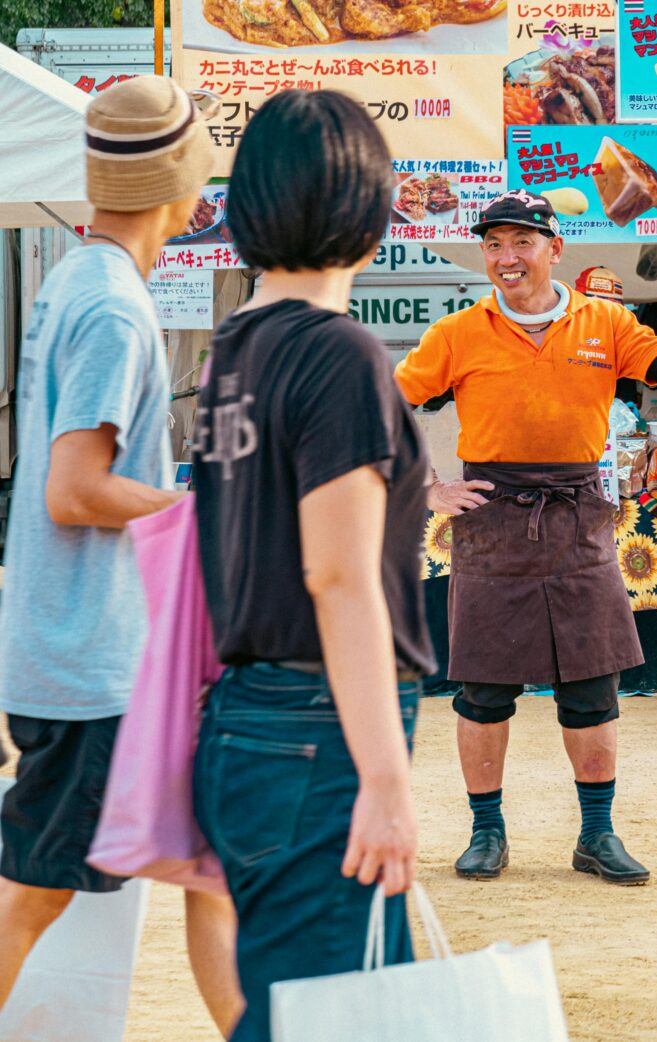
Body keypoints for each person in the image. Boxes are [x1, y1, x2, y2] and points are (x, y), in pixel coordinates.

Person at [192, 91, 435, 1042]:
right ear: (369, 212)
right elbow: (339, 578)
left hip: (248, 722)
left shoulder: (235, 348)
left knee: (317, 1009)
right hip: (316, 730)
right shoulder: (339, 355)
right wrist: (384, 777)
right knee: (328, 1020)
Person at [0, 77, 239, 1033]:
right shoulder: (113, 309)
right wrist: (199, 509)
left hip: (98, 653)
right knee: (34, 894)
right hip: (87, 662)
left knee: (212, 871)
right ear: (183, 186)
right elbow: (74, 488)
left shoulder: (77, 278)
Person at [395, 191, 657, 884]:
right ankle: (487, 832)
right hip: (491, 519)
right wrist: (427, 488)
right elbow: (387, 403)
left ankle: (596, 835)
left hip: (578, 514)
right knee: (482, 691)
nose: (506, 258)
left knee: (592, 688)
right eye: (494, 245)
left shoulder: (605, 320)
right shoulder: (457, 332)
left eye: (521, 242)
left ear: (554, 248)